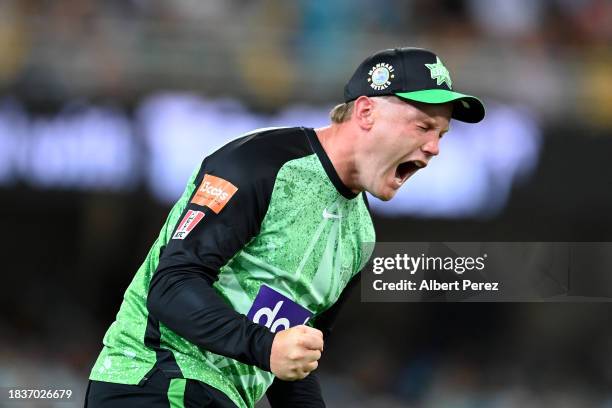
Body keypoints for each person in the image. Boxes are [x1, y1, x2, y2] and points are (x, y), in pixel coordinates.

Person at [85, 47, 485, 408]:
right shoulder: (260, 165)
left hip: (217, 398)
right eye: (422, 126)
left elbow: (291, 365)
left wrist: (275, 350)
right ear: (365, 112)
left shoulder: (360, 237)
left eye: (441, 134)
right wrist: (266, 346)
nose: (435, 148)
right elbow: (171, 286)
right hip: (153, 379)